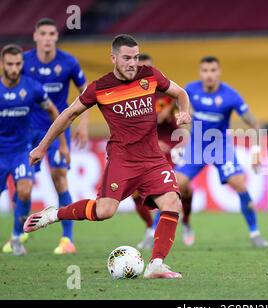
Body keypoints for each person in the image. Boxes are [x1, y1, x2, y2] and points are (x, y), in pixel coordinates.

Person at [23, 34, 192, 279]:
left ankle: (156, 264)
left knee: (172, 202)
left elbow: (181, 93)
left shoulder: (150, 75)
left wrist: (184, 113)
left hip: (153, 159)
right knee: (104, 211)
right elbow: (67, 115)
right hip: (122, 159)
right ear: (113, 58)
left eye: (135, 57)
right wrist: (41, 147)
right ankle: (54, 214)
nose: (133, 63)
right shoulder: (100, 88)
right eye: (126, 58)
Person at [5, 18, 88, 255]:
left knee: (60, 177)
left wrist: (82, 123)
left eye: (52, 33)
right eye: (44, 33)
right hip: (27, 131)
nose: (48, 38)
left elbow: (87, 92)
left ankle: (67, 239)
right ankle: (19, 235)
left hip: (57, 128)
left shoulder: (68, 62)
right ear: (35, 36)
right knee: (24, 186)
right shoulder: (24, 62)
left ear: (56, 37)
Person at [175, 56, 268, 248]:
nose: (209, 75)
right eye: (205, 71)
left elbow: (255, 124)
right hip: (197, 146)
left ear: (219, 72)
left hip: (220, 147)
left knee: (240, 184)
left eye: (213, 70)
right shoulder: (190, 90)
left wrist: (257, 151)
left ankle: (255, 233)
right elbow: (176, 109)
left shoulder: (231, 96)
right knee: (175, 186)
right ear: (200, 73)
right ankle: (170, 228)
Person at [0, 44, 69, 255]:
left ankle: (16, 237)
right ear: (2, 64)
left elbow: (53, 111)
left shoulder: (33, 88)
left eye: (17, 64)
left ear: (22, 64)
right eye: (9, 64)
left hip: (22, 150)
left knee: (25, 189)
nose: (14, 68)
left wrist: (63, 144)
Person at [133, 54, 194, 250]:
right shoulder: (128, 96)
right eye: (140, 67)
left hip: (168, 148)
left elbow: (183, 117)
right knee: (135, 193)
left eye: (148, 68)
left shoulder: (166, 93)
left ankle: (185, 223)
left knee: (182, 188)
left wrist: (183, 133)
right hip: (143, 148)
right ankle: (151, 228)